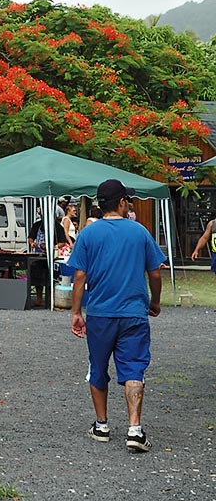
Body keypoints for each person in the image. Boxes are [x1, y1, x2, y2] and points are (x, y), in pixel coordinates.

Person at [69, 179, 165, 453]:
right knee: (134, 367)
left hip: (100, 313)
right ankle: (135, 429)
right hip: (134, 313)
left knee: (98, 367)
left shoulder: (89, 234)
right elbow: (155, 272)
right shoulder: (139, 232)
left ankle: (101, 425)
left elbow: (79, 276)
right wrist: (154, 301)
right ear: (122, 202)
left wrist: (76, 312)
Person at [27, 211, 67, 307]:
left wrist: (51, 247)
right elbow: (30, 238)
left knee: (49, 278)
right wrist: (32, 243)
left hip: (51, 256)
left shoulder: (57, 227)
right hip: (37, 255)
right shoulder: (36, 225)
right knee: (37, 278)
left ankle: (49, 299)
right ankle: (39, 298)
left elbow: (62, 242)